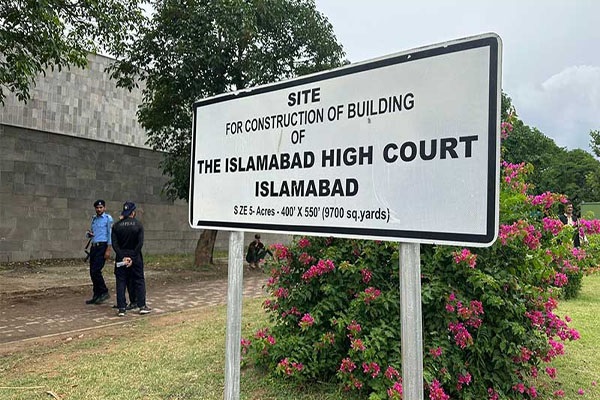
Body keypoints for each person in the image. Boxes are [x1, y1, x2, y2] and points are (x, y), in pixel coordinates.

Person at [111, 201, 151, 316]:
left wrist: (123, 257)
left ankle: (121, 308)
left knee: (121, 281)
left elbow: (115, 244)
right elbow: (140, 243)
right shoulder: (138, 225)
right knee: (139, 280)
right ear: (133, 212)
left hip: (121, 257)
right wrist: (132, 257)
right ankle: (142, 306)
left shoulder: (116, 226)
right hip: (135, 257)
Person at [85, 199, 113, 305]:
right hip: (94, 247)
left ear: (104, 208)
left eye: (101, 207)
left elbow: (110, 234)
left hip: (102, 246)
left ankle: (104, 291)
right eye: (97, 208)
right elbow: (91, 232)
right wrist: (89, 234)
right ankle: (96, 295)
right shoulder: (94, 219)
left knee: (96, 271)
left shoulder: (108, 218)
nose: (99, 209)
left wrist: (108, 249)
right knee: (92, 272)